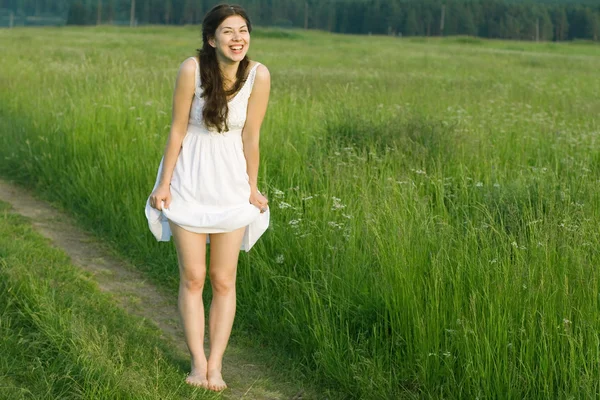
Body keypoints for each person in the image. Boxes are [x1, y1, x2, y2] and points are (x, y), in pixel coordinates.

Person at [144, 3, 270, 392]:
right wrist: (164, 184)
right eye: (229, 31)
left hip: (230, 182)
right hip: (189, 178)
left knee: (223, 278)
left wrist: (252, 186)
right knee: (194, 276)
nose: (238, 38)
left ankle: (216, 365)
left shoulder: (259, 75)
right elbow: (178, 131)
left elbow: (251, 137)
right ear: (212, 38)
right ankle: (197, 364)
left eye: (243, 30)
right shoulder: (191, 69)